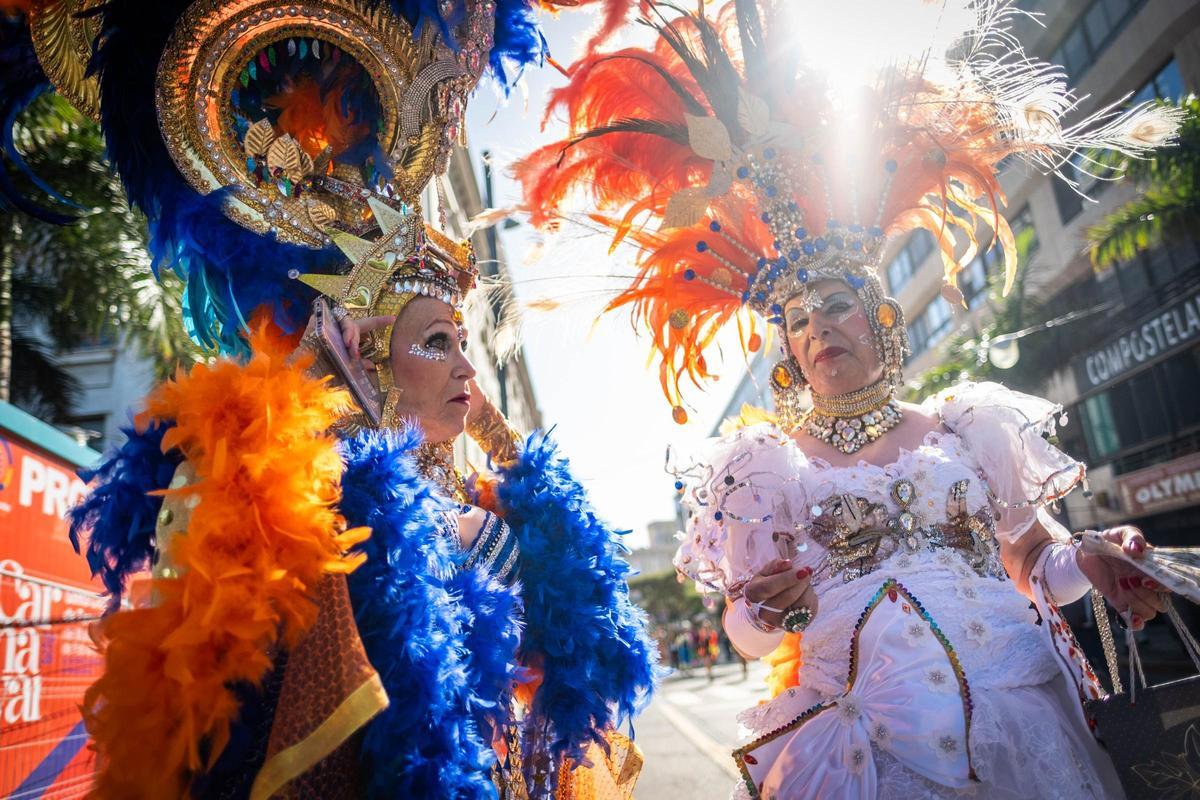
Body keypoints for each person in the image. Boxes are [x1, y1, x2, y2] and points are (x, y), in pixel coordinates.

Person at [512, 0, 1185, 796]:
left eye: (834, 305)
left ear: (880, 317)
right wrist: (766, 611)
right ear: (790, 352)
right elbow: (745, 632)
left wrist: (1093, 562)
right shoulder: (768, 466)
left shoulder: (967, 426)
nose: (816, 326)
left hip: (1022, 718)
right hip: (865, 746)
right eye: (797, 320)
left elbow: (1036, 560)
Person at [15, 0, 660, 797]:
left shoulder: (488, 501)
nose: (465, 367)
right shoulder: (321, 511)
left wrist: (493, 433)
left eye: (463, 342)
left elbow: (585, 644)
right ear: (371, 362)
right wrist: (324, 417)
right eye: (434, 343)